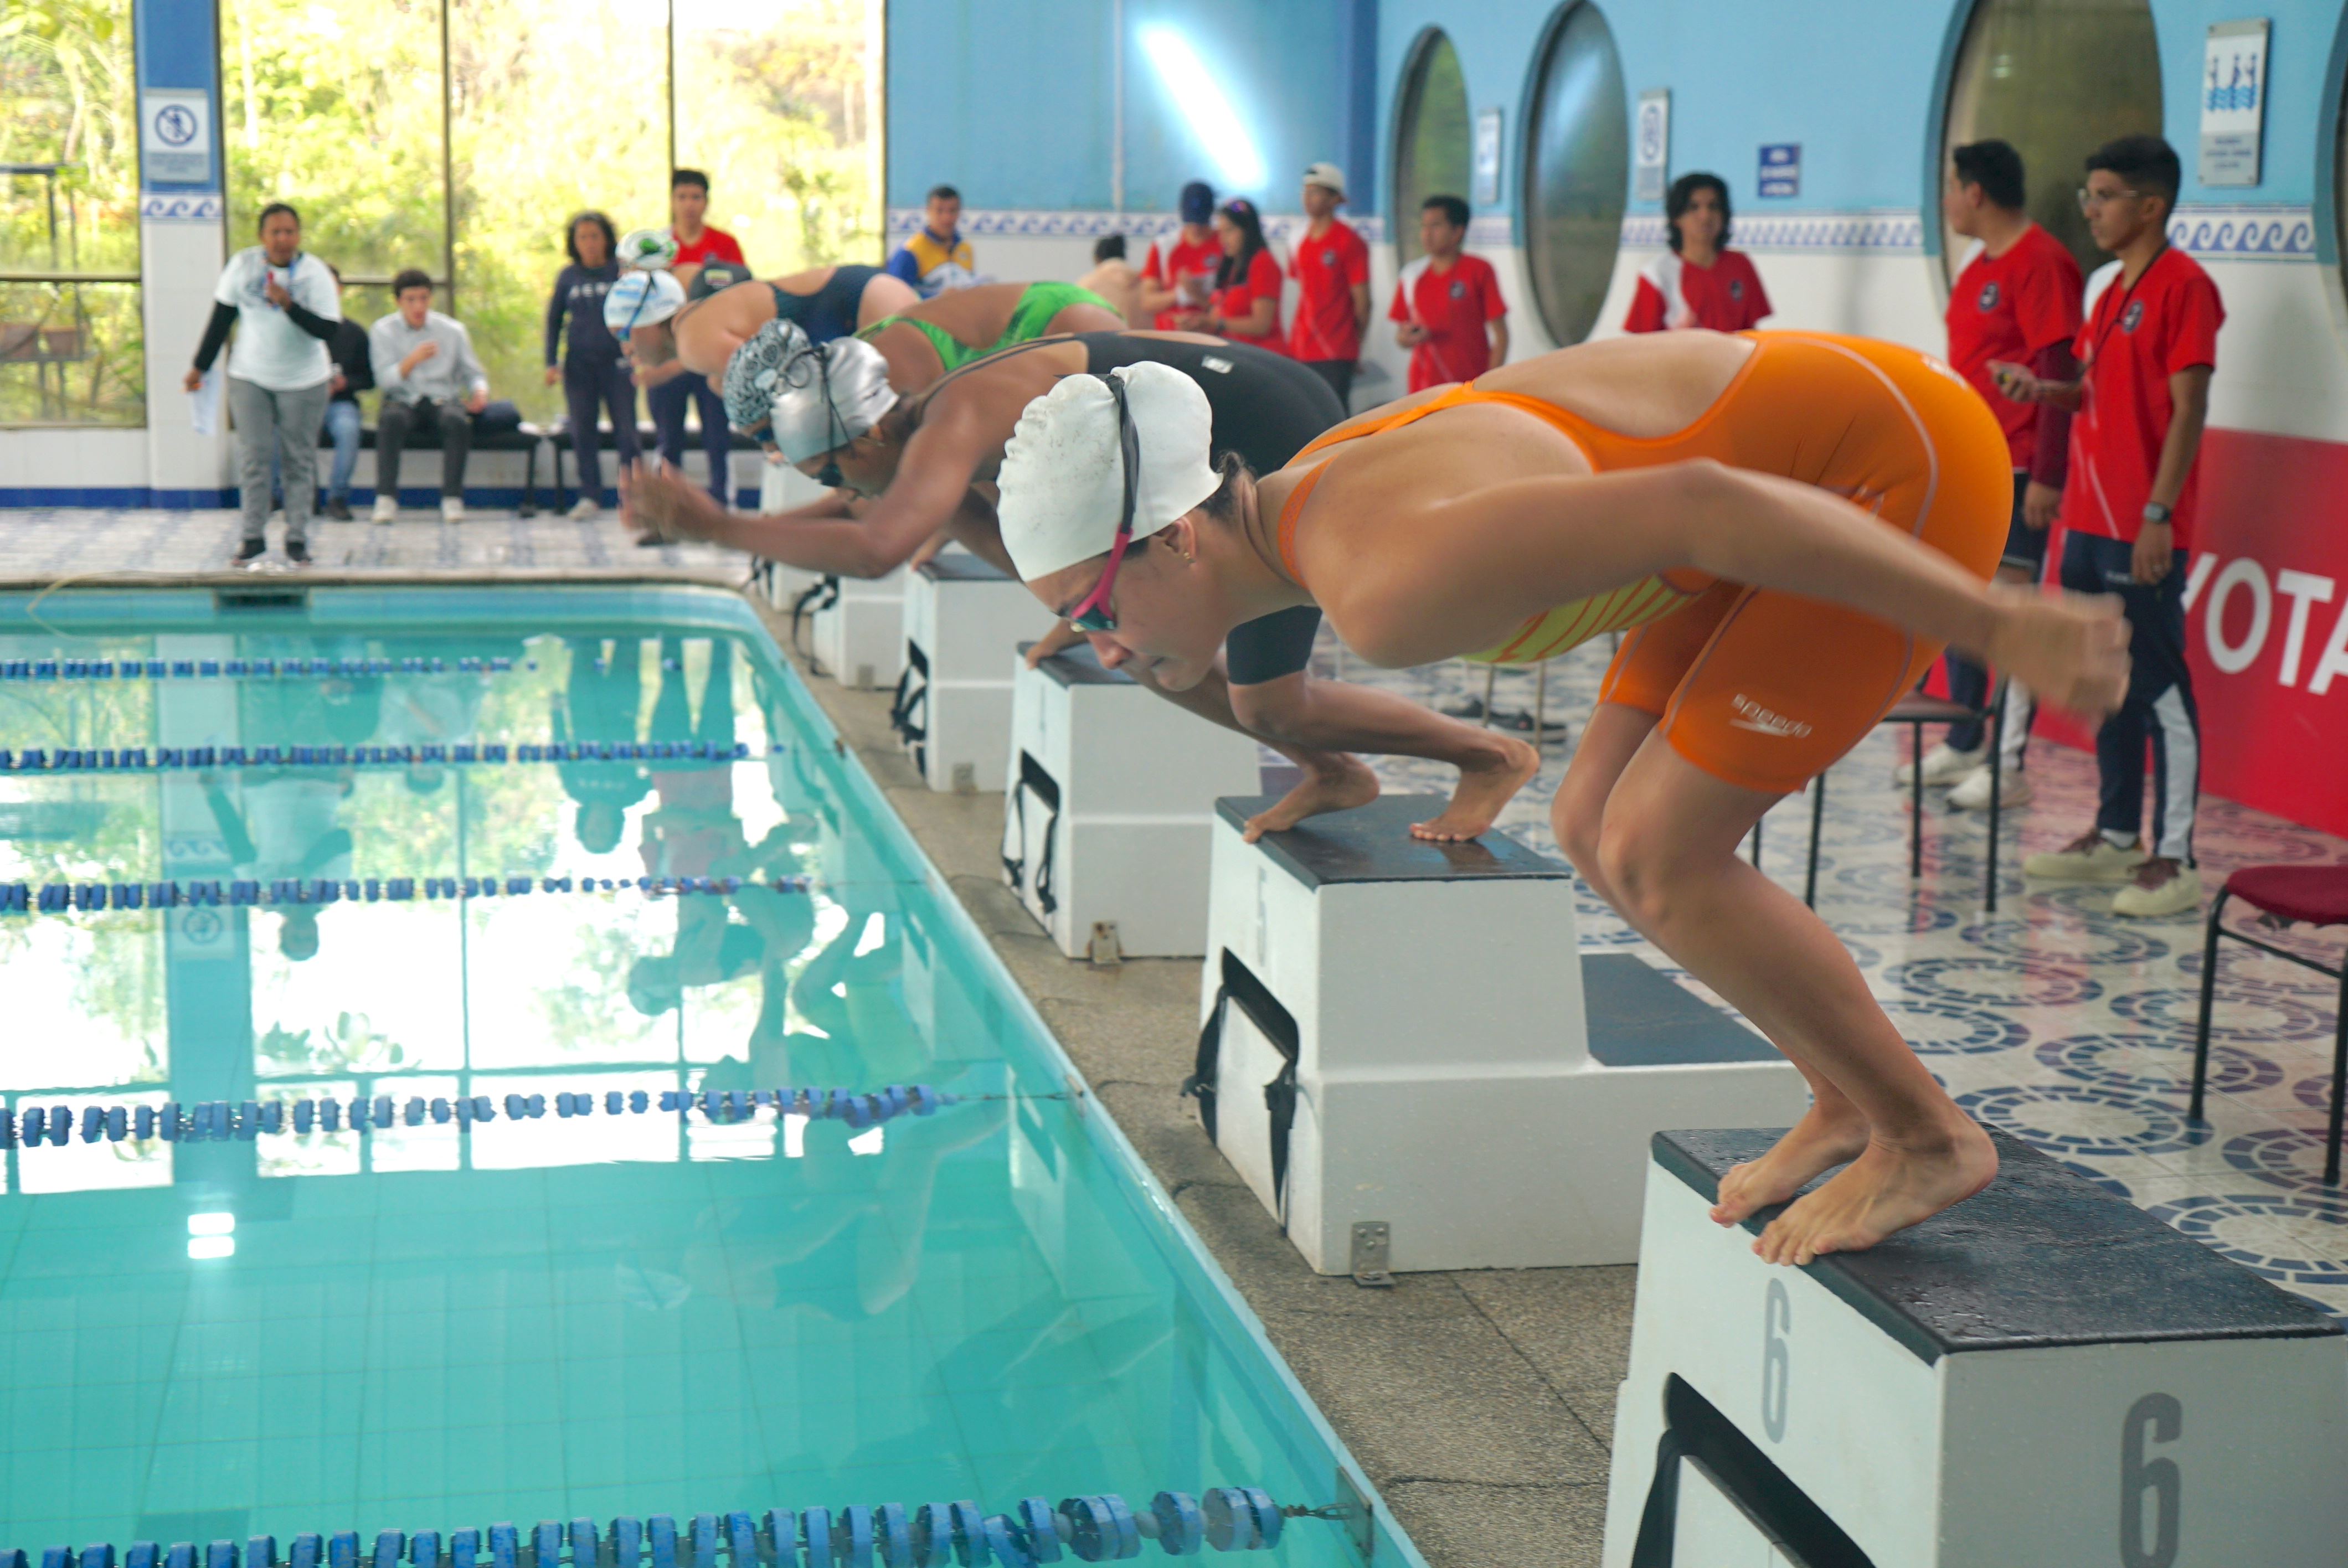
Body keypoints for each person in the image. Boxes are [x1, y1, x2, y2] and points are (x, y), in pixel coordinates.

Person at [989, 334, 2130, 1262]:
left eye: (1091, 610)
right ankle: (1841, 1101)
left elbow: (1700, 499)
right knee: (1592, 831)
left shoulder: (1383, 582)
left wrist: (1994, 625)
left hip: (1876, 462)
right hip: (1757, 491)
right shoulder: (1302, 512)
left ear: (1177, 538)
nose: (1095, 644)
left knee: (1657, 853)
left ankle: (1925, 1135)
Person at [632, 326, 1541, 842]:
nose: (836, 491)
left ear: (866, 436)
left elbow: (872, 547)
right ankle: (1333, 767)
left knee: (1266, 700)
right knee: (1145, 655)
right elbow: (1002, 549)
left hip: (1267, 426)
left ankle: (1486, 755)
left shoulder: (954, 419)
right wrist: (1084, 608)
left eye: (831, 470)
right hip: (1208, 437)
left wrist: (715, 529)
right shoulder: (925, 453)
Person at [1997, 135, 2220, 920]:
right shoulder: (2106, 290)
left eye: (2103, 195)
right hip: (2087, 524)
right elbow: (2090, 394)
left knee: (2159, 690)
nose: (2089, 209)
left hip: (2140, 526)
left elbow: (2189, 410)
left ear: (2150, 205)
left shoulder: (2186, 288)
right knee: (2110, 685)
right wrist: (2041, 389)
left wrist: (2159, 515)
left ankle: (2178, 856)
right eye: (2088, 194)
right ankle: (2120, 833)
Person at [1908, 140, 2083, 812]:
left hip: (2018, 468)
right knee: (1962, 605)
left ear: (1974, 191)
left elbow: (2060, 369)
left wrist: (2047, 474)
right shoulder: (1978, 267)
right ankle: (1964, 738)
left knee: (2009, 615)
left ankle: (2007, 764)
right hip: (1972, 466)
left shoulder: (2041, 263)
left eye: (1951, 188)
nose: (1947, 202)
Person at [186, 202, 341, 564]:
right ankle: (252, 537)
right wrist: (199, 368)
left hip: (304, 381)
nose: (283, 239)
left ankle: (297, 538)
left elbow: (328, 329)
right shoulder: (242, 266)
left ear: (298, 237)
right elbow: (221, 320)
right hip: (251, 376)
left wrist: (289, 305)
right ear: (262, 237)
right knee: (254, 458)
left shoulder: (315, 274)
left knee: (298, 461)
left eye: (290, 232)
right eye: (276, 232)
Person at [623, 261, 919, 391]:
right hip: (864, 296)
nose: (627, 348)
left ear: (647, 322)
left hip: (861, 305)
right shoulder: (697, 336)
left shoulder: (691, 341)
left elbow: (779, 383)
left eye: (625, 333)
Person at [651, 169, 748, 508]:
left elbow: (743, 297)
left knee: (717, 436)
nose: (689, 205)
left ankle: (722, 505)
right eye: (682, 197)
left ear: (706, 202)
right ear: (672, 202)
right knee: (668, 438)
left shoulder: (725, 246)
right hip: (670, 356)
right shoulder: (658, 249)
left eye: (696, 197)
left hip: (710, 357)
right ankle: (667, 509)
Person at [369, 269, 490, 523]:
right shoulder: (383, 331)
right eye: (411, 300)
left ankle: (452, 498)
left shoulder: (452, 331)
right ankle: (386, 498)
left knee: (456, 422)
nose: (419, 306)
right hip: (403, 399)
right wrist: (411, 361)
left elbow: (474, 373)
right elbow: (384, 380)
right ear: (398, 302)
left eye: (424, 298)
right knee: (391, 421)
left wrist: (480, 392)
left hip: (442, 399)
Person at [544, 210, 639, 519]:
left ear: (607, 239)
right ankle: (590, 495)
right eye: (582, 237)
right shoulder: (568, 277)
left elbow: (640, 313)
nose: (589, 243)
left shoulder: (621, 273)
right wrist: (551, 362)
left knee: (627, 431)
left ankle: (634, 495)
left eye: (594, 236)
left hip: (618, 365)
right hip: (579, 367)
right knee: (583, 430)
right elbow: (554, 321)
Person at [1625, 172, 1772, 334]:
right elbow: (1640, 345)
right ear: (1676, 218)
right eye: (1694, 207)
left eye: (1714, 206)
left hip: (1734, 359)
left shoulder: (1741, 265)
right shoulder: (1656, 274)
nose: (1705, 216)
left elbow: (1751, 332)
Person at [1389, 195, 1508, 393]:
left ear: (1457, 232)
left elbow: (1501, 335)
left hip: (1470, 385)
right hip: (1423, 388)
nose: (1427, 234)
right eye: (1424, 226)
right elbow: (1401, 337)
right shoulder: (1412, 275)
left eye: (1436, 226)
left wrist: (1489, 383)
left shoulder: (1479, 270)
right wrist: (1408, 338)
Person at [1287, 163, 1371, 408]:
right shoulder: (1297, 239)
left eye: (1316, 192)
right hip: (1301, 347)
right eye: (1306, 191)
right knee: (1304, 414)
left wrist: (1356, 347)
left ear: (1335, 198)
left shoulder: (1349, 241)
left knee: (1333, 416)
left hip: (1336, 350)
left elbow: (1363, 303)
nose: (1308, 198)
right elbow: (1302, 293)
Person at [1194, 198, 1284, 354]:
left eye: (1229, 230)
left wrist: (1216, 323)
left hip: (1263, 359)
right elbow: (1220, 312)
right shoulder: (1230, 267)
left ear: (1247, 231)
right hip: (1237, 355)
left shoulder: (1263, 263)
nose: (1223, 239)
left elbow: (1261, 325)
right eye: (1221, 231)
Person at [1139, 181, 1222, 331]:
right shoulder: (1163, 247)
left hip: (1212, 338)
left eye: (1201, 222)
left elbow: (1234, 309)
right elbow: (1147, 302)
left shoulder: (1225, 245)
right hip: (1171, 337)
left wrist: (1196, 294)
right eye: (1191, 221)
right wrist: (1180, 294)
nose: (1196, 227)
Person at [887, 184, 977, 298]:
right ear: (928, 211)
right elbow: (896, 296)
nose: (947, 218)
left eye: (953, 211)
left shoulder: (965, 248)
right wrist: (937, 297)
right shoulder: (910, 250)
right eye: (940, 211)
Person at [1076, 235, 1147, 328]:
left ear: (1097, 258)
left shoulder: (1088, 283)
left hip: (1102, 341)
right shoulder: (1146, 282)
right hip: (1143, 341)